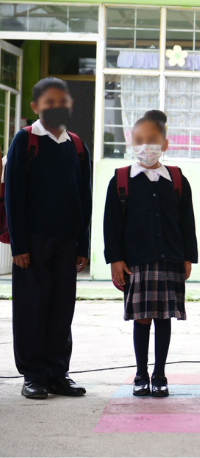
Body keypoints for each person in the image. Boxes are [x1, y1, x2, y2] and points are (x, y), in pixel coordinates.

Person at [6, 77, 92, 399]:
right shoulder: (25, 141)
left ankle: (58, 372)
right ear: (35, 107)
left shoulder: (77, 146)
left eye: (62, 101)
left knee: (61, 307)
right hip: (33, 243)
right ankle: (33, 374)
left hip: (67, 243)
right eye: (49, 101)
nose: (57, 107)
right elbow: (14, 196)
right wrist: (20, 245)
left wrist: (82, 245)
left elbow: (85, 198)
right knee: (32, 307)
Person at [103, 110, 198, 397]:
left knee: (164, 317)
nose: (146, 146)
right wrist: (115, 260)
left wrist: (188, 257)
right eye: (140, 140)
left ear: (165, 144)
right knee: (142, 318)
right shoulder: (121, 180)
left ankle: (160, 374)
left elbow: (187, 222)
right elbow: (111, 224)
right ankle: (141, 373)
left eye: (152, 140)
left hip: (170, 259)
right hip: (136, 263)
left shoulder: (177, 180)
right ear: (132, 143)